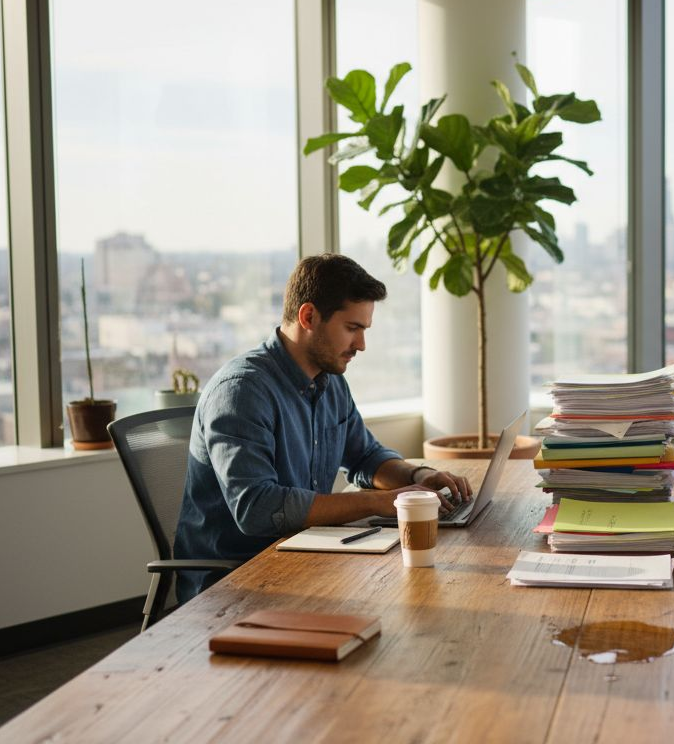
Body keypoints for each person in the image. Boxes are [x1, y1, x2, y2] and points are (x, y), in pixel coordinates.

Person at [172, 253, 472, 603]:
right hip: (236, 580)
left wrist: (416, 477)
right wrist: (379, 502)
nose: (361, 345)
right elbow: (257, 509)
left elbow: (365, 457)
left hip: (305, 555)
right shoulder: (241, 392)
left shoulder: (330, 382)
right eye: (352, 329)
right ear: (309, 316)